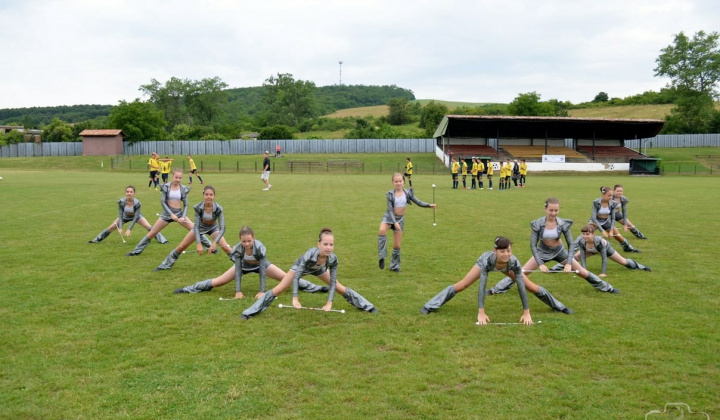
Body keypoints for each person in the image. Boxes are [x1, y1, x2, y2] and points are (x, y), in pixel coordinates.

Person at [487, 197, 620, 295]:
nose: (554, 213)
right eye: (551, 210)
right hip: (541, 252)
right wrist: (541, 263)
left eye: (556, 210)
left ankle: (607, 288)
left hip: (560, 251)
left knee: (582, 272)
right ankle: (495, 290)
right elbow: (533, 245)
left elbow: (571, 243)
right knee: (520, 272)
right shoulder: (537, 224)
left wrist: (568, 263)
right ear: (545, 209)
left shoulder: (563, 223)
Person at [240, 227, 378, 319]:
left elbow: (333, 283)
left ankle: (368, 307)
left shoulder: (333, 259)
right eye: (325, 244)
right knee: (280, 288)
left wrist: (329, 303)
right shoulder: (309, 255)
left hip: (320, 269)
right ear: (319, 244)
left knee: (340, 287)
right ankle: (249, 313)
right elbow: (297, 277)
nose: (328, 247)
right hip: (301, 268)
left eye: (331, 244)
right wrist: (295, 299)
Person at [174, 225, 329, 297]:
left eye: (249, 241)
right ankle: (188, 289)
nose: (247, 244)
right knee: (219, 282)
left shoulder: (260, 249)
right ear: (240, 240)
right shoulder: (237, 249)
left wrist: (262, 291)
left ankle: (316, 288)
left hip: (262, 266)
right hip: (243, 266)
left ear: (253, 239)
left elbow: (262, 271)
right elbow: (238, 270)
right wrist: (238, 292)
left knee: (287, 277)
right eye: (244, 241)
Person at [421, 237, 533, 325]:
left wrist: (526, 313)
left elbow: (521, 286)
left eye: (508, 251)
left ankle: (551, 305)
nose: (506, 254)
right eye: (502, 251)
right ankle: (429, 306)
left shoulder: (513, 261)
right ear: (495, 251)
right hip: (487, 265)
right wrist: (481, 312)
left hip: (505, 266)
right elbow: (482, 286)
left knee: (530, 286)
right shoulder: (487, 260)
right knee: (462, 285)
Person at [126, 168, 209, 256]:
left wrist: (183, 216)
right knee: (152, 232)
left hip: (179, 214)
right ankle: (135, 251)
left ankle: (211, 247)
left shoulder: (183, 189)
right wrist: (171, 214)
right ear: (172, 176)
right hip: (166, 214)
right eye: (176, 177)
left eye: (180, 178)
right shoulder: (166, 187)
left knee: (195, 229)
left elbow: (186, 204)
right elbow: (163, 202)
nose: (178, 180)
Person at [154, 185, 232, 271]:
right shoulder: (198, 207)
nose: (208, 197)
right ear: (203, 195)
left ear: (214, 196)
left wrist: (214, 243)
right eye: (206, 194)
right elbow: (197, 227)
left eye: (211, 194)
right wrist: (199, 243)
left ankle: (242, 265)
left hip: (213, 228)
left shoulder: (218, 208)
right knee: (181, 246)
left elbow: (223, 228)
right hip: (199, 228)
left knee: (226, 248)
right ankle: (165, 265)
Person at [378, 173, 437, 272]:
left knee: (397, 245)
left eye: (400, 181)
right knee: (381, 231)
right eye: (396, 181)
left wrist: (429, 205)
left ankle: (394, 266)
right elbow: (390, 210)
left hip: (400, 219)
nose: (398, 183)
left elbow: (418, 202)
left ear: (404, 182)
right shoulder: (389, 194)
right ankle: (382, 256)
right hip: (389, 218)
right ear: (393, 183)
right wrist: (394, 222)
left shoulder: (408, 193)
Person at [550, 223, 651, 276]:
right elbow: (583, 257)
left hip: (604, 250)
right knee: (574, 257)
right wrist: (584, 269)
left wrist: (603, 273)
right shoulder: (581, 240)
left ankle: (642, 267)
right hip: (590, 249)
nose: (585, 236)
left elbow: (604, 258)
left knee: (623, 262)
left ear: (593, 234)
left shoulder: (599, 242)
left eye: (587, 234)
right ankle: (555, 268)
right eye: (583, 234)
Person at [88, 185, 168, 244]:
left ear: (134, 193)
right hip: (124, 216)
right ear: (125, 192)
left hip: (137, 217)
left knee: (148, 226)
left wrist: (129, 229)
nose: (129, 193)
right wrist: (120, 228)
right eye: (127, 192)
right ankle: (96, 240)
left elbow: (136, 217)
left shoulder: (137, 203)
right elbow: (120, 215)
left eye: (131, 192)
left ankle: (163, 240)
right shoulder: (121, 202)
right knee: (112, 227)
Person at [591, 186, 641, 253]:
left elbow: (613, 218)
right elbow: (594, 218)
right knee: (588, 234)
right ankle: (587, 249)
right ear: (603, 195)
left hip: (606, 221)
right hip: (595, 222)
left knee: (619, 236)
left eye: (611, 196)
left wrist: (611, 231)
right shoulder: (596, 202)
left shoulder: (613, 203)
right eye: (608, 195)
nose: (610, 197)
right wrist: (602, 230)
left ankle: (628, 248)